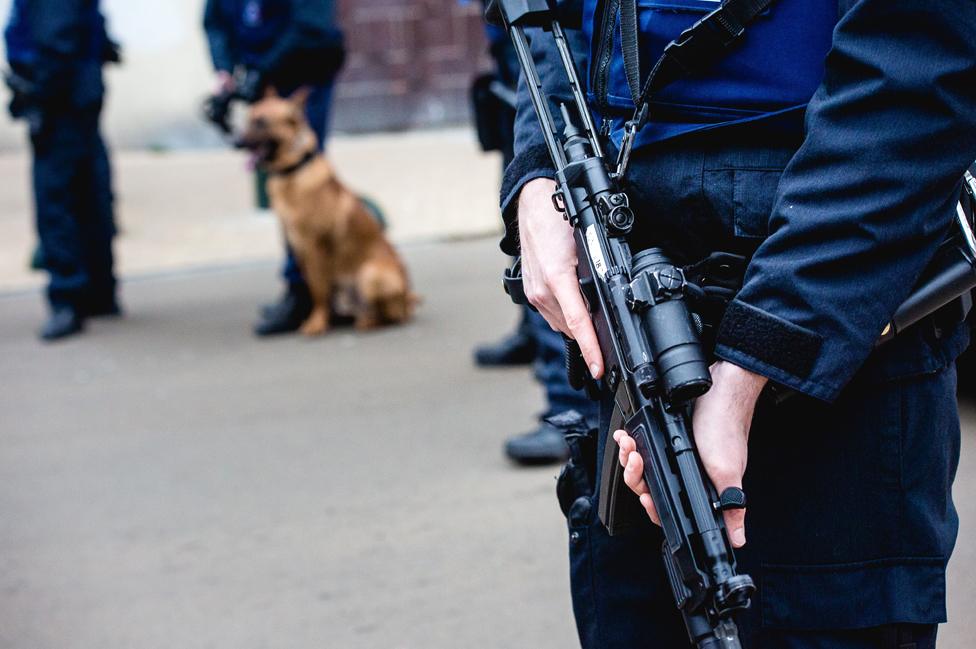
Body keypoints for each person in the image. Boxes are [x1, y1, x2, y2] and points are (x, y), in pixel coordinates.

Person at [501, 0, 976, 647]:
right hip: (625, 307)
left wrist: (751, 363)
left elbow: (913, 86)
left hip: (828, 341)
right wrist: (537, 174)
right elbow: (544, 25)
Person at [468, 0, 598, 463]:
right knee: (531, 210)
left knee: (561, 237)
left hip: (563, 52)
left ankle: (571, 409)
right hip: (520, 50)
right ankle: (534, 332)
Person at [203, 0, 345, 336]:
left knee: (304, 183)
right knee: (282, 188)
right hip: (262, 78)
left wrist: (262, 68)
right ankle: (310, 285)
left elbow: (311, 25)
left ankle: (306, 291)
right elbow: (214, 21)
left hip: (303, 70)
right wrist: (226, 70)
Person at [4, 0, 121, 341]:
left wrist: (39, 95)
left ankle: (68, 297)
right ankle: (100, 290)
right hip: (80, 89)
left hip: (61, 97)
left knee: (56, 198)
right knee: (89, 190)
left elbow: (57, 39)